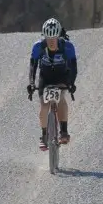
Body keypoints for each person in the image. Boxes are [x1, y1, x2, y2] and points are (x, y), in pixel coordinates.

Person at [27, 17, 77, 151]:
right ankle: (44, 136)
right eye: (48, 39)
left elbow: (73, 67)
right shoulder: (38, 46)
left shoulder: (67, 46)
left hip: (62, 76)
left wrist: (71, 83)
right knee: (44, 105)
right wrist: (31, 83)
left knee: (60, 98)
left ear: (58, 36)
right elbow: (33, 66)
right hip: (46, 76)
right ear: (44, 37)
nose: (51, 42)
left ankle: (64, 131)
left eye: (54, 38)